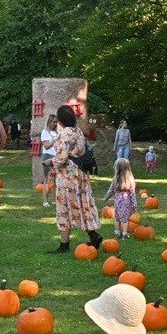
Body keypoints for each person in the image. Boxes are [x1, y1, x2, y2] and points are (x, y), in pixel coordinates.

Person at [50, 104, 103, 253]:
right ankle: (93, 235)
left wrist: (51, 162)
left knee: (64, 207)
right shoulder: (78, 131)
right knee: (82, 204)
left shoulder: (65, 134)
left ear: (60, 120)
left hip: (68, 176)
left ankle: (64, 245)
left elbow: (61, 157)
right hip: (81, 175)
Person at [103, 158, 137, 238]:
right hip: (126, 203)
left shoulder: (115, 179)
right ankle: (124, 234)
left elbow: (110, 190)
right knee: (125, 219)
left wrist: (106, 198)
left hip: (117, 203)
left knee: (117, 218)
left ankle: (117, 233)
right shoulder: (130, 179)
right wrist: (134, 203)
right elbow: (132, 193)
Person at [39, 115, 58, 207]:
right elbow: (46, 145)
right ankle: (45, 200)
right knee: (47, 178)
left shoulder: (56, 132)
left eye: (56, 122)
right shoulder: (45, 132)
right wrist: (55, 140)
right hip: (47, 155)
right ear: (49, 122)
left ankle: (54, 200)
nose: (54, 124)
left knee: (55, 179)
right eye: (53, 122)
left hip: (55, 156)